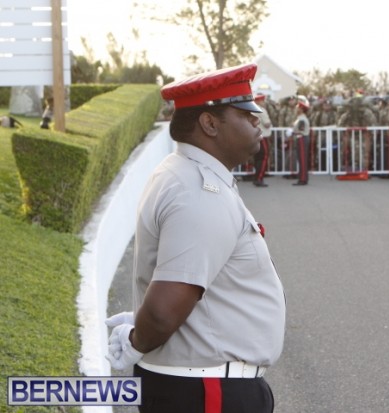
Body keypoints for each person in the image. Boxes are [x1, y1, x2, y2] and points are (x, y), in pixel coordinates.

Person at [105, 63, 286, 413]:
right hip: (205, 392)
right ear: (209, 123)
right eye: (246, 113)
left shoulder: (185, 176)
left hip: (200, 383)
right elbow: (162, 312)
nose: (256, 122)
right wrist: (134, 339)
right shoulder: (200, 192)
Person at [253, 94, 272, 187]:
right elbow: (267, 124)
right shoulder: (261, 110)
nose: (264, 102)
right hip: (263, 136)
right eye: (262, 100)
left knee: (258, 158)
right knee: (264, 157)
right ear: (259, 101)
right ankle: (259, 178)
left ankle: (256, 177)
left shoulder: (252, 109)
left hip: (255, 136)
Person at [291, 99, 311, 185]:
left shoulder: (302, 119)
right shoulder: (300, 118)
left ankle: (303, 179)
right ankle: (303, 177)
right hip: (301, 138)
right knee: (301, 159)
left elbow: (300, 130)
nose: (296, 109)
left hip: (302, 138)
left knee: (302, 159)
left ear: (301, 109)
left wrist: (292, 132)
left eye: (297, 108)